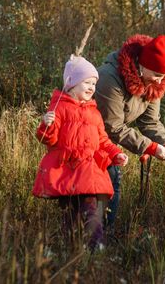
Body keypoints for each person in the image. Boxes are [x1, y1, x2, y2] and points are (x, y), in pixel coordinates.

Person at [32, 55, 129, 251]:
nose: (92, 87)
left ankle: (95, 248)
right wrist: (46, 124)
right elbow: (47, 140)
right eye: (87, 82)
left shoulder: (94, 112)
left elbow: (102, 140)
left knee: (91, 211)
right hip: (67, 172)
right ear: (71, 84)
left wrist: (115, 153)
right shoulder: (59, 108)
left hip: (88, 173)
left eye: (94, 83)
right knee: (70, 215)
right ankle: (72, 250)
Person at [95, 34, 165, 229]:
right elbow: (113, 127)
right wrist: (151, 148)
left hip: (110, 145)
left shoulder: (153, 84)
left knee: (112, 186)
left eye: (164, 77)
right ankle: (88, 244)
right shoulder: (110, 79)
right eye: (157, 75)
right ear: (143, 65)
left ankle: (102, 240)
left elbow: (150, 122)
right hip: (88, 141)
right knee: (97, 190)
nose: (160, 81)